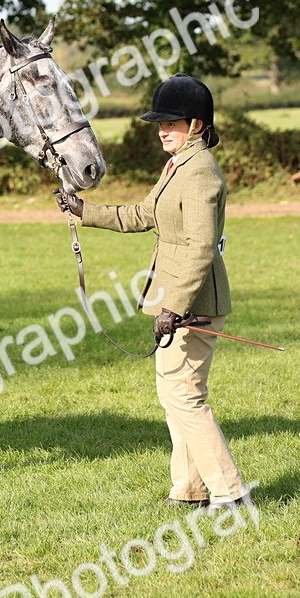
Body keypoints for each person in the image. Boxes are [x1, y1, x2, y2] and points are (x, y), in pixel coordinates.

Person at [59, 74, 249, 511]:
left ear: (197, 125)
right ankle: (189, 490)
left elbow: (202, 248)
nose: (162, 129)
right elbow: (144, 214)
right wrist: (85, 211)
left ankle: (230, 492)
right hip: (176, 302)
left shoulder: (201, 174)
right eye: (159, 123)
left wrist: (176, 308)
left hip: (194, 304)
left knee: (184, 396)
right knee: (175, 396)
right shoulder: (178, 165)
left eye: (172, 123)